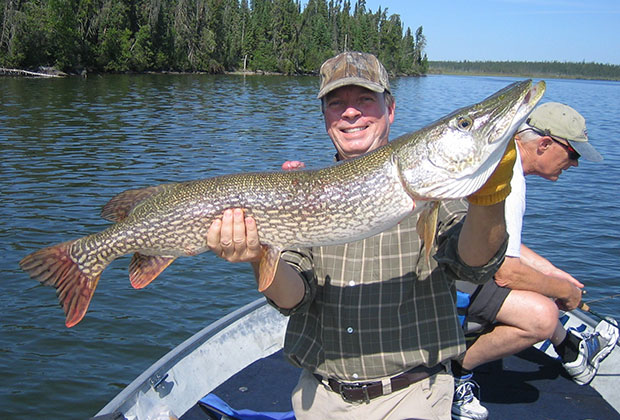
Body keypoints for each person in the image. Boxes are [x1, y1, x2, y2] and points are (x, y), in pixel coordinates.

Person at [206, 51, 513, 420]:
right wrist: (258, 256)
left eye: (365, 100)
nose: (350, 113)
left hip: (412, 396)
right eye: (337, 104)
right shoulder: (300, 196)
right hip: (319, 399)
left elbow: (474, 266)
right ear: (325, 119)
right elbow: (293, 300)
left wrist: (489, 199)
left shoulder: (438, 192)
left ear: (391, 110)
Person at [450, 102, 619, 420]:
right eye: (573, 154)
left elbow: (493, 239)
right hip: (445, 293)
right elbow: (507, 273)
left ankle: (569, 345)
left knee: (544, 283)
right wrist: (563, 292)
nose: (575, 165)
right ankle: (456, 370)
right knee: (542, 315)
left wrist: (551, 272)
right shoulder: (508, 179)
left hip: (449, 274)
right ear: (544, 144)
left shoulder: (497, 156)